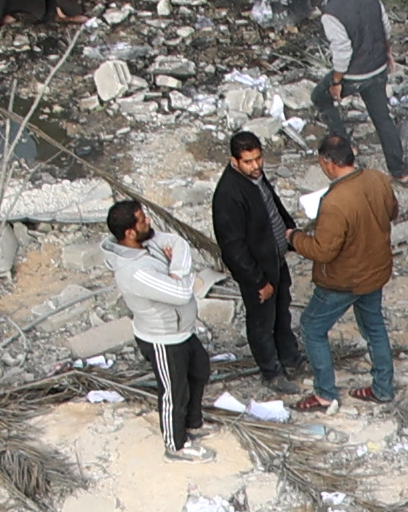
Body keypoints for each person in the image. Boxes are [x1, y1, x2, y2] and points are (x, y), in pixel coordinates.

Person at [106, 199, 216, 460]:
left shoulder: (148, 242)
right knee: (173, 391)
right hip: (163, 338)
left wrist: (175, 271)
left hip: (182, 331)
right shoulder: (133, 271)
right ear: (129, 233)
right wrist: (181, 278)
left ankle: (192, 423)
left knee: (199, 371)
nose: (149, 222)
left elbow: (178, 244)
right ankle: (175, 444)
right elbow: (180, 293)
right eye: (142, 220)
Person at [300, 145, 399, 409]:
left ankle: (325, 393)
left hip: (343, 280)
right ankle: (383, 388)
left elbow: (322, 251)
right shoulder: (378, 179)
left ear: (328, 162)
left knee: (312, 328)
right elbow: (392, 212)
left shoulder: (335, 201)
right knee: (374, 327)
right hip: (375, 271)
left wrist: (294, 238)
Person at [212, 133, 305, 387]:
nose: (256, 166)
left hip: (275, 259)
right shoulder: (228, 195)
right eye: (248, 162)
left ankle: (290, 358)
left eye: (258, 159)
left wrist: (289, 232)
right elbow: (233, 248)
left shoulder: (254, 177)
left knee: (281, 312)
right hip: (258, 270)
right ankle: (271, 373)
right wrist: (258, 281)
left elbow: (271, 205)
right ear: (234, 161)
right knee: (262, 323)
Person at [313, 0, 408, 179]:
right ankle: (400, 171)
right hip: (377, 67)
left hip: (355, 73)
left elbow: (342, 51)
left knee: (320, 97)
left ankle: (344, 149)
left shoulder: (330, 11)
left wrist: (337, 82)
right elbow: (385, 25)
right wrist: (387, 53)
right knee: (382, 118)